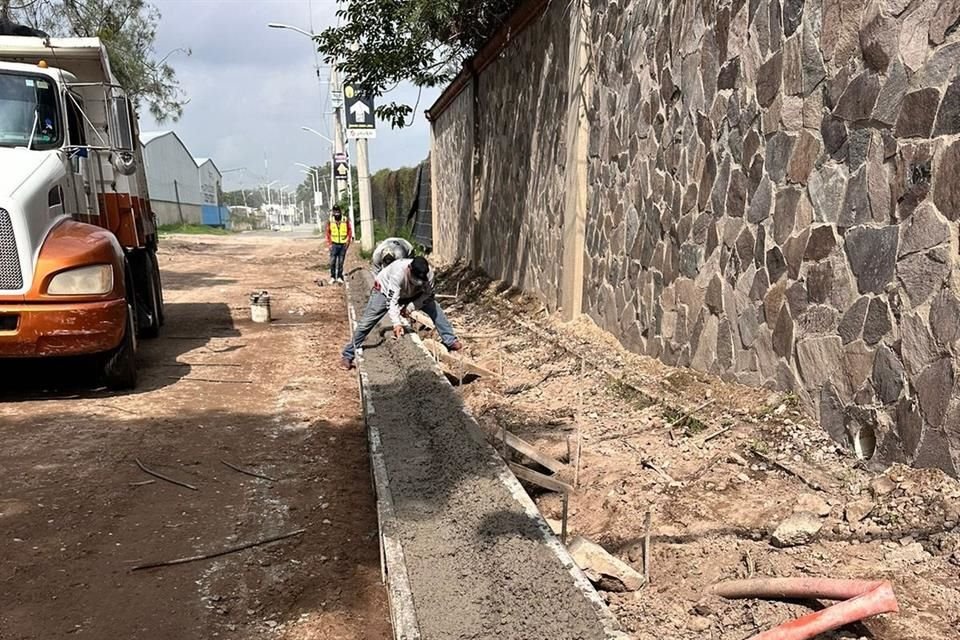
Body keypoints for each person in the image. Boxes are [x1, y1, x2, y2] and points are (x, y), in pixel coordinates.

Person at [341, 256, 461, 369]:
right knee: (367, 322)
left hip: (413, 294)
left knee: (434, 308)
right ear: (409, 270)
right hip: (384, 292)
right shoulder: (398, 273)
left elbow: (428, 295)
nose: (418, 281)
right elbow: (392, 302)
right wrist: (397, 323)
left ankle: (450, 340)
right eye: (415, 278)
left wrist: (409, 307)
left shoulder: (428, 275)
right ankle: (348, 353)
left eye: (421, 280)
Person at [325, 206, 351, 284]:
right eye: (335, 211)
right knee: (332, 261)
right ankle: (333, 277)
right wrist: (329, 243)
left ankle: (339, 276)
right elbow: (328, 232)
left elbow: (349, 231)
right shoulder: (330, 220)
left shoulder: (345, 220)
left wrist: (348, 242)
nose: (336, 213)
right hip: (334, 244)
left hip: (343, 244)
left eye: (338, 211)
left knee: (341, 261)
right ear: (333, 212)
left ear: (340, 211)